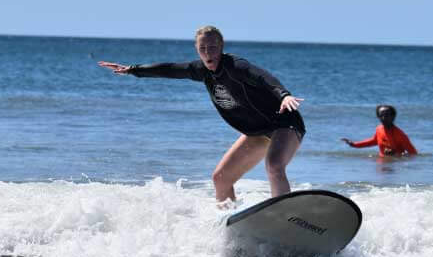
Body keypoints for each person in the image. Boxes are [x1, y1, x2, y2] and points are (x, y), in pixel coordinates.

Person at [98, 25, 305, 203]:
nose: (208, 53)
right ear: (197, 50)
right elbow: (170, 69)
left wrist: (284, 95)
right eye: (202, 48)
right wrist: (133, 69)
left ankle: (283, 214)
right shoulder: (201, 71)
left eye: (212, 47)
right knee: (220, 178)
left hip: (283, 122)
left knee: (274, 165)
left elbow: (261, 76)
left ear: (221, 47)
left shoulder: (235, 66)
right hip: (257, 132)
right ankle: (230, 227)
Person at [341, 105, 417, 157]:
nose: (384, 117)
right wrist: (354, 144)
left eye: (387, 115)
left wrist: (396, 155)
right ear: (378, 117)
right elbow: (373, 141)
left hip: (395, 166)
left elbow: (413, 154)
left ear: (393, 116)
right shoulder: (379, 129)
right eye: (381, 115)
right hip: (382, 164)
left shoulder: (400, 135)